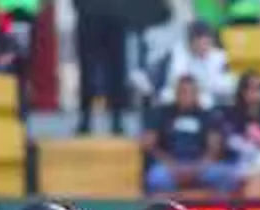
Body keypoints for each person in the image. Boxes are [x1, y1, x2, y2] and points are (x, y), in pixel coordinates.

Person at [144, 75, 239, 196]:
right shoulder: (162, 113)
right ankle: (168, 209)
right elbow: (150, 145)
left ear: (197, 94)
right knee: (155, 177)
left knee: (227, 175)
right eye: (183, 92)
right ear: (176, 93)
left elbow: (214, 148)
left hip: (200, 164)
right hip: (170, 164)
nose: (186, 96)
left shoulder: (207, 116)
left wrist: (199, 168)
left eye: (191, 92)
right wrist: (171, 164)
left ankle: (215, 209)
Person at [75, 0, 131, 135]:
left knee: (115, 69)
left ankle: (115, 118)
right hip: (93, 12)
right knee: (90, 69)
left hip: (112, 12)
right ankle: (87, 117)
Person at [159, 20, 236, 109]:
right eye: (200, 43)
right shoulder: (178, 53)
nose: (204, 47)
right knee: (165, 97)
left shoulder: (219, 56)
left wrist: (208, 84)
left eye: (207, 43)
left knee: (208, 101)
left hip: (208, 95)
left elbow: (228, 83)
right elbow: (176, 78)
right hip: (182, 93)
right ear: (191, 43)